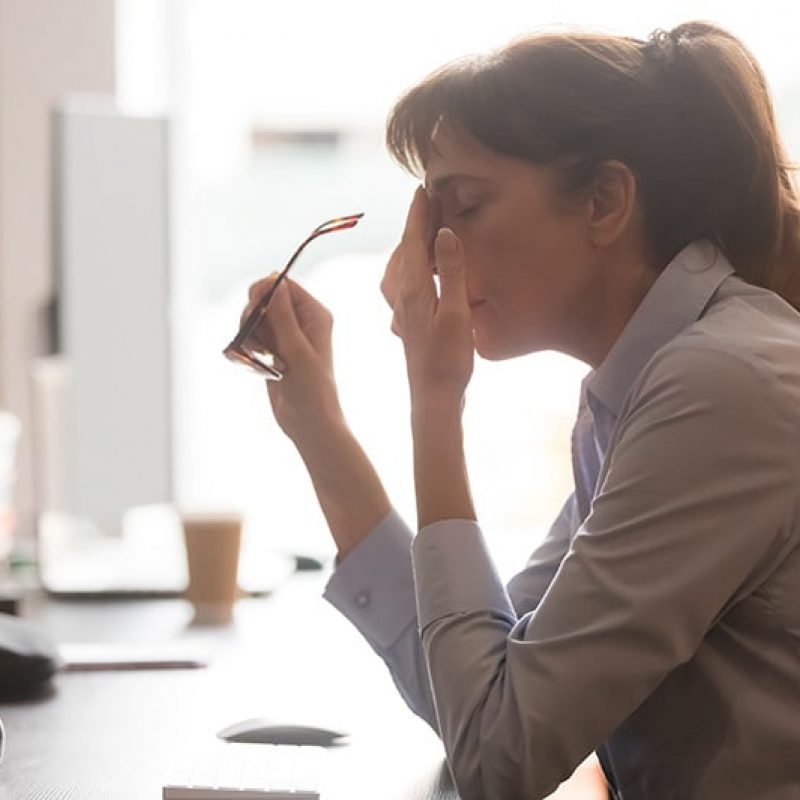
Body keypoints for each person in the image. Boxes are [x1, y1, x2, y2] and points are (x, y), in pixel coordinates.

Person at [238, 21, 800, 800]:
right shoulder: (647, 386)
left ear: (604, 201)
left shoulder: (719, 385)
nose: (429, 246)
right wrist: (319, 428)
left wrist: (435, 403)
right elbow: (472, 691)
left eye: (461, 205)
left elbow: (501, 761)